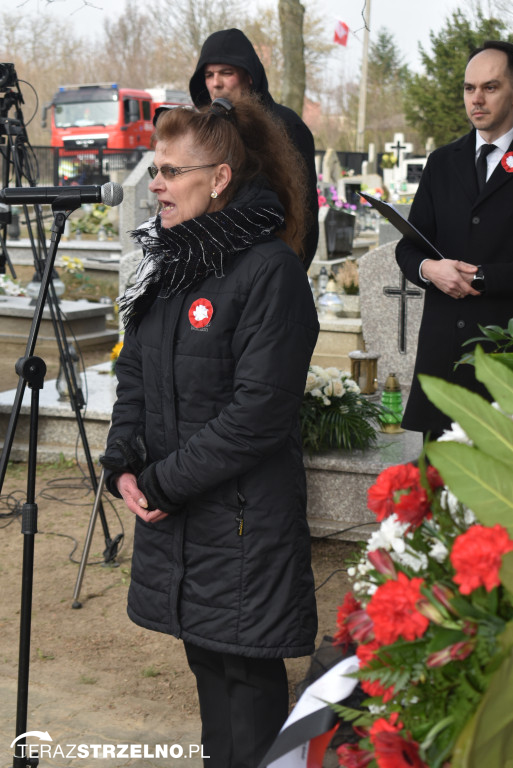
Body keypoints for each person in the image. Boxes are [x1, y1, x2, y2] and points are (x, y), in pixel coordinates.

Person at [100, 95, 319, 768]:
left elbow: (259, 411)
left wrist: (165, 479)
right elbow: (133, 374)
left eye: (170, 170)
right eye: (154, 168)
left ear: (219, 177)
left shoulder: (269, 271)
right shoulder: (170, 267)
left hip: (243, 526)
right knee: (207, 675)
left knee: (247, 684)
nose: (156, 184)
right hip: (187, 522)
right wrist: (125, 460)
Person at [396, 39, 513, 437]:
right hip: (442, 360)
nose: (476, 99)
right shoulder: (443, 162)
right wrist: (431, 269)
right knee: (434, 492)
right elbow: (409, 246)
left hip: (502, 365)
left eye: (490, 87)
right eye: (469, 88)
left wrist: (480, 278)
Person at [188, 27, 319, 269]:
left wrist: (292, 271)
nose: (216, 84)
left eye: (226, 73)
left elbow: (305, 211)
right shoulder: (202, 132)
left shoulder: (287, 126)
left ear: (249, 76)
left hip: (268, 265)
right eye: (208, 75)